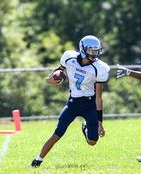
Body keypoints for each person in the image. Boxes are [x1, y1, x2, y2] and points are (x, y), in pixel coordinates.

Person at [30, 35, 110, 168]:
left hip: (90, 104)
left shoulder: (100, 68)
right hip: (73, 103)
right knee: (58, 133)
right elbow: (59, 70)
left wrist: (100, 124)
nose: (94, 53)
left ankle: (85, 127)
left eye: (96, 50)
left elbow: (98, 98)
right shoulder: (69, 57)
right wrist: (49, 79)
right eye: (91, 50)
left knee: (92, 141)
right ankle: (38, 160)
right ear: (83, 49)